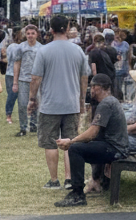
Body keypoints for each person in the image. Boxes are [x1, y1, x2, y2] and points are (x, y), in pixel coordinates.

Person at [30, 15, 88, 190]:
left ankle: (54, 180)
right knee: (70, 142)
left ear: (51, 30)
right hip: (71, 103)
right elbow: (84, 77)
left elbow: (35, 78)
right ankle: (69, 179)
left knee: (50, 142)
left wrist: (32, 98)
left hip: (50, 104)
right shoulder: (78, 51)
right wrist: (82, 100)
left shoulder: (44, 51)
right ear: (68, 27)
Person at [54, 74, 127, 207]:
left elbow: (92, 133)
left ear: (101, 88)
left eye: (93, 86)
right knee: (84, 146)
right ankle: (95, 181)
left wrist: (71, 142)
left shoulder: (106, 104)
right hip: (115, 146)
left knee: (75, 149)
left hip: (115, 149)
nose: (91, 89)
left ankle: (77, 194)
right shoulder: (110, 101)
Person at [11, 25, 41, 136]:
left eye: (33, 33)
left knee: (37, 103)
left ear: (36, 34)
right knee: (22, 104)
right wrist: (15, 81)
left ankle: (35, 125)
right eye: (28, 33)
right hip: (23, 79)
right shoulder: (21, 47)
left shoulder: (41, 48)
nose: (30, 36)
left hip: (37, 80)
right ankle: (23, 127)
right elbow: (17, 63)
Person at [111, 29, 131, 98]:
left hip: (124, 69)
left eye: (118, 34)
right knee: (117, 89)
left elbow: (129, 56)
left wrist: (129, 67)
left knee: (125, 88)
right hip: (116, 70)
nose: (117, 36)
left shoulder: (125, 44)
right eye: (115, 34)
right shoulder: (111, 44)